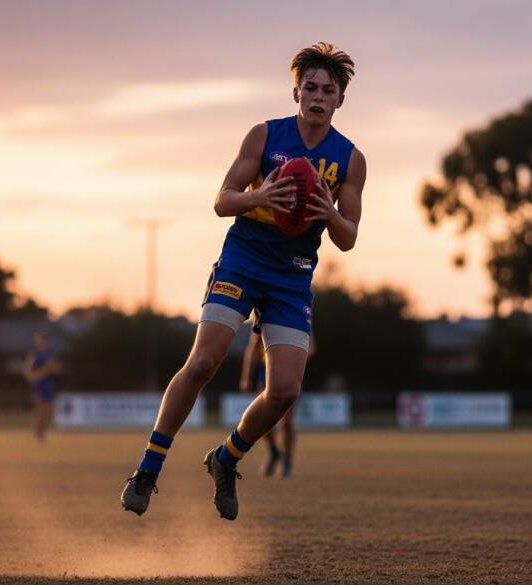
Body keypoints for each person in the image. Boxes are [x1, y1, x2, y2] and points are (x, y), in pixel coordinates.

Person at [121, 42, 365, 520]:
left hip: (292, 276)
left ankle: (226, 458)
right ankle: (149, 468)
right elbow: (221, 199)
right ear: (296, 92)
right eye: (310, 88)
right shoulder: (264, 135)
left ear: (340, 100)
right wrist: (263, 196)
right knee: (204, 362)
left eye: (328, 90)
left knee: (286, 391)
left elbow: (349, 238)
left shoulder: (350, 159)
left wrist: (328, 213)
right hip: (243, 259)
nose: (318, 97)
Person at [239, 326, 316, 478]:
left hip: (291, 371)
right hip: (266, 372)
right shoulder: (265, 315)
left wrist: (291, 354)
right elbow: (253, 348)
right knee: (262, 422)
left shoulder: (300, 315)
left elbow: (311, 348)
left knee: (287, 422)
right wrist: (246, 377)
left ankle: (287, 461)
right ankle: (274, 450)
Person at [22, 330, 62, 442]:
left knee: (49, 411)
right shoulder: (34, 354)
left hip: (48, 385)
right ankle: (38, 431)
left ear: (46, 341)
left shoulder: (51, 354)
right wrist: (39, 374)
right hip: (38, 385)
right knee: (40, 409)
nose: (40, 342)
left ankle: (41, 430)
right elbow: (28, 372)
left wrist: (52, 368)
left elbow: (57, 369)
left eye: (43, 340)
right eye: (38, 340)